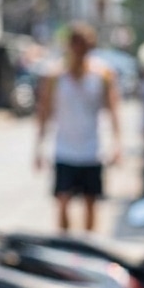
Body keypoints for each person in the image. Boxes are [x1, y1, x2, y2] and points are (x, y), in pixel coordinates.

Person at [33, 22, 122, 232]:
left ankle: (87, 245)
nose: (80, 49)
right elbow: (44, 113)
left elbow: (113, 111)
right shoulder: (54, 76)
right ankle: (64, 243)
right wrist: (38, 148)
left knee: (90, 203)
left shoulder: (103, 74)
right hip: (64, 150)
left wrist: (117, 144)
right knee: (62, 201)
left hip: (92, 150)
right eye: (76, 44)